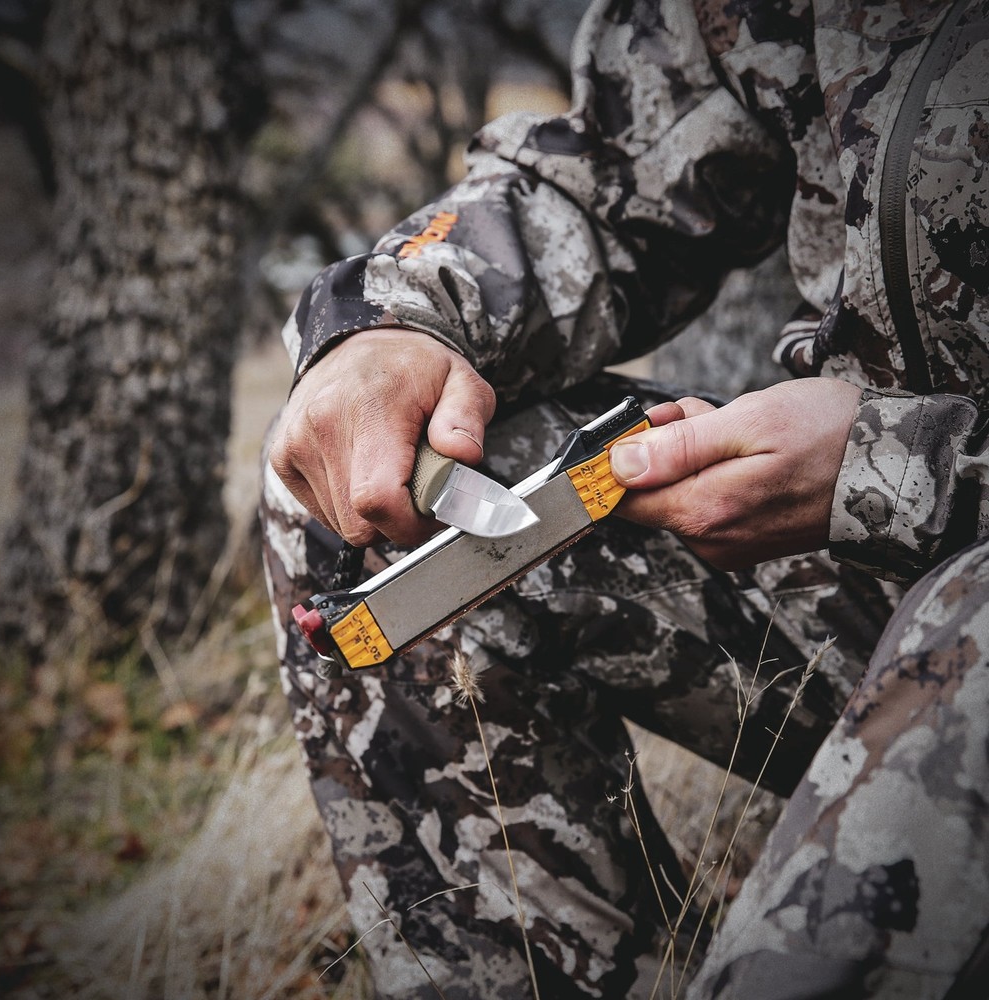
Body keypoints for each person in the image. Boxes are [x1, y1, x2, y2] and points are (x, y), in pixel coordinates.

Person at [260, 0, 989, 996]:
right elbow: (606, 172)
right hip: (848, 579)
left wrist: (896, 468)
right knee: (373, 481)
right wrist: (390, 318)